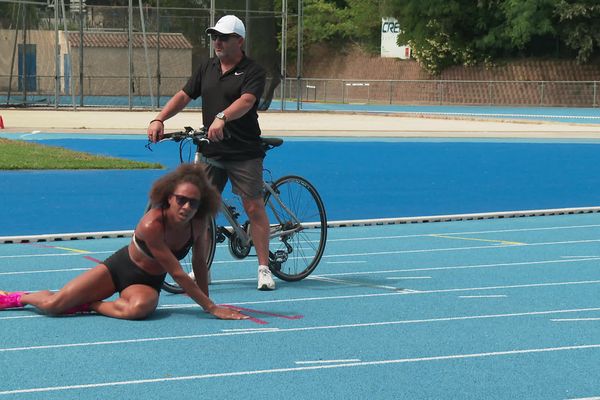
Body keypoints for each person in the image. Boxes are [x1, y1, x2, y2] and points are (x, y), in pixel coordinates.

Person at [0, 164, 247, 321]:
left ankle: (92, 305)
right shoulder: (151, 224)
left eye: (193, 202)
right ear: (169, 197)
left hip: (148, 282)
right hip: (120, 269)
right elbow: (178, 273)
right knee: (54, 306)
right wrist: (211, 308)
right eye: (181, 199)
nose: (186, 207)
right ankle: (18, 297)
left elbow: (199, 264)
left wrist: (205, 302)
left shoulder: (198, 223)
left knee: (140, 309)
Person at [147, 15, 276, 291]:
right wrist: (160, 119)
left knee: (253, 206)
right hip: (211, 150)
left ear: (239, 41)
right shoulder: (207, 67)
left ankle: (264, 268)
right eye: (214, 36)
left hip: (243, 151)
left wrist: (222, 117)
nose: (217, 41)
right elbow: (184, 95)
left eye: (223, 37)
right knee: (199, 211)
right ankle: (201, 269)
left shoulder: (252, 70)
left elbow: (247, 101)